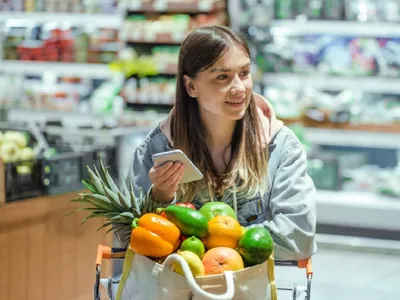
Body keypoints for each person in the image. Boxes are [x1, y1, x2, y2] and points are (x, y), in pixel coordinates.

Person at [126, 25, 317, 260]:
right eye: (222, 77)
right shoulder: (158, 148)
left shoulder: (280, 147)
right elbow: (126, 236)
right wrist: (161, 196)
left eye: (244, 73)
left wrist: (209, 242)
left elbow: (298, 239)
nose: (239, 88)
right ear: (191, 86)